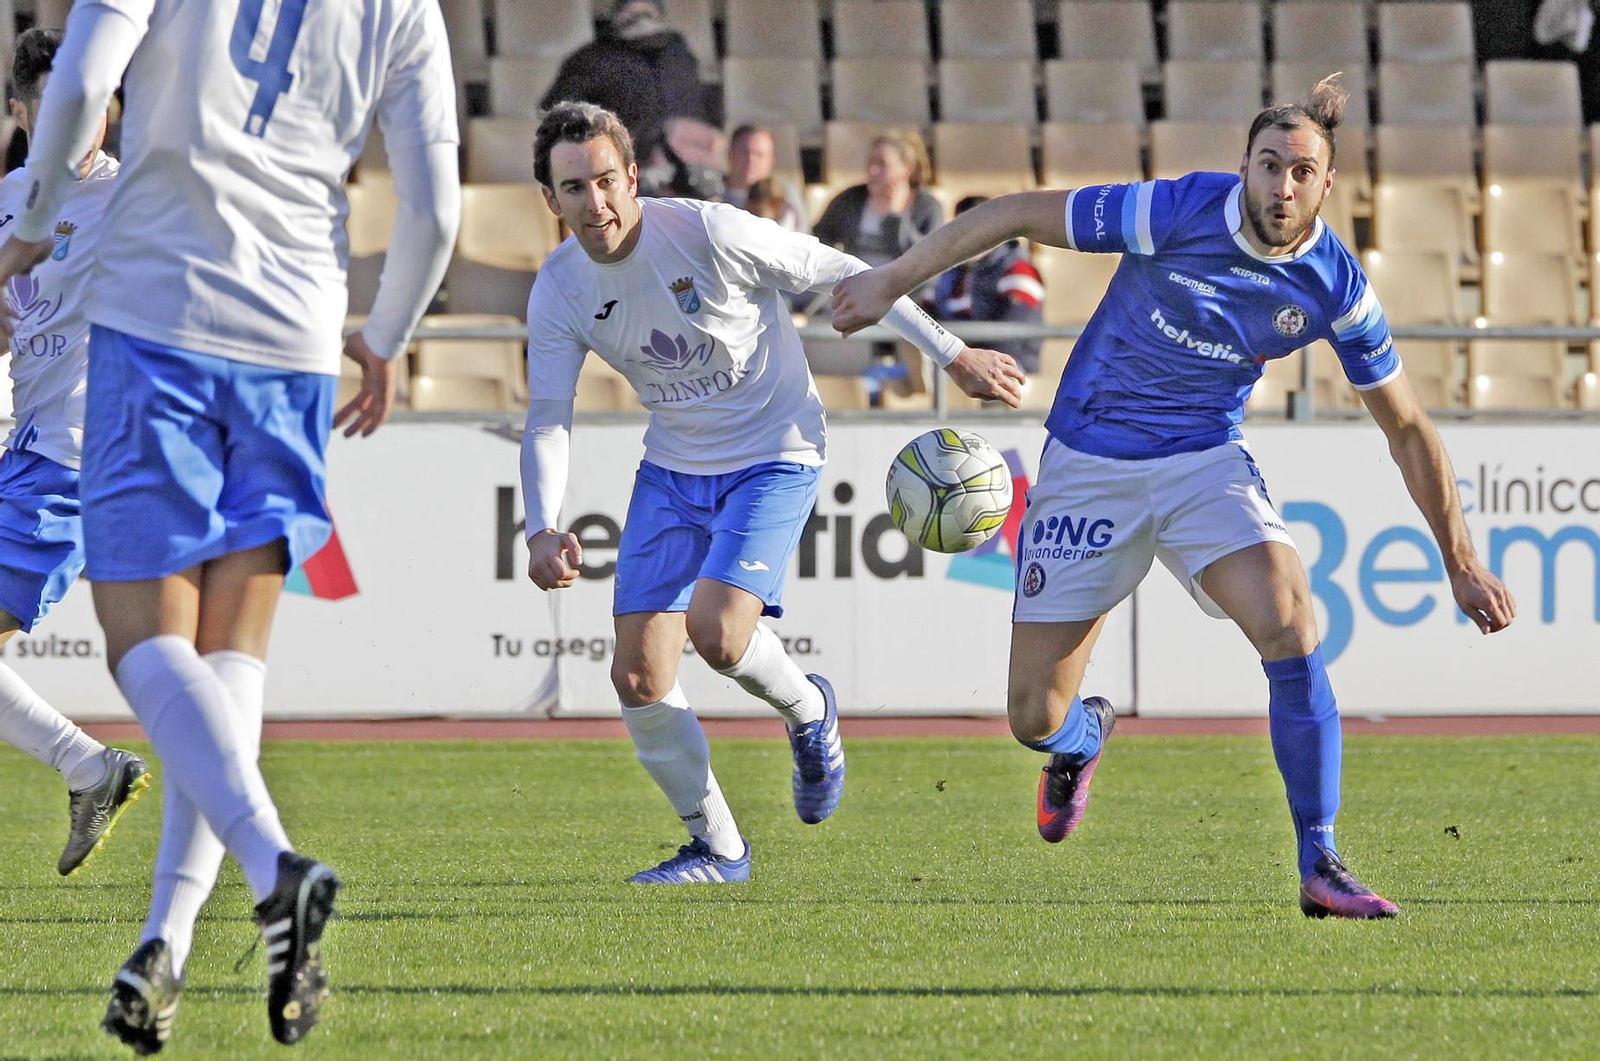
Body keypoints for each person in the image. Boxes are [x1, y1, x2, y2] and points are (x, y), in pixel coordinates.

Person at [830, 77, 1517, 920]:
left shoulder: (1335, 286)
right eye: (1270, 166)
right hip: (1089, 460)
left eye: (1303, 172)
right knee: (1030, 714)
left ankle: (1320, 856)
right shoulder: (1176, 211)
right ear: (1245, 168)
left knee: (1291, 617)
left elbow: (1408, 427)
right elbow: (1010, 212)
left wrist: (1461, 560)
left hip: (1203, 462)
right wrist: (890, 282)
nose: (1283, 187)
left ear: (1328, 184)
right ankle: (1081, 740)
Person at [0, 0, 461, 1051]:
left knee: (148, 643)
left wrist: (30, 230)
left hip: (160, 315)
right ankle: (163, 941)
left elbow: (77, 85)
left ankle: (274, 864)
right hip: (296, 331)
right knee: (229, 657)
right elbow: (433, 212)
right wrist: (383, 336)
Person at [522, 101, 1024, 885]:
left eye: (609, 181)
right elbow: (548, 418)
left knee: (719, 632)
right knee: (637, 677)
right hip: (673, 467)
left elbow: (844, 271)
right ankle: (719, 851)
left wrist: (951, 354)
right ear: (550, 200)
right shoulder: (558, 289)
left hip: (776, 449)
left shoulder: (709, 230)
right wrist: (539, 527)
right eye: (576, 188)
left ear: (633, 178)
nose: (598, 204)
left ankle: (809, 711)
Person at [0, 27, 149, 880]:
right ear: (20, 115)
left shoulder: (135, 200)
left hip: (78, 461)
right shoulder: (9, 200)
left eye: (87, 105)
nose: (73, 124)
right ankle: (91, 768)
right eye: (52, 109)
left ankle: (89, 766)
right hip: (27, 451)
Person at [540, 0, 720, 196]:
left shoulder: (678, 51)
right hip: (629, 171)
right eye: (631, 12)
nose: (640, 19)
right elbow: (555, 112)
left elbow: (703, 103)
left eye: (646, 11)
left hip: (689, 171)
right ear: (616, 16)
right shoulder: (592, 58)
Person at [933, 195, 1046, 373]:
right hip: (960, 364)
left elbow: (1012, 335)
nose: (965, 238)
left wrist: (961, 352)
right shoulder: (952, 275)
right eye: (959, 230)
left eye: (974, 229)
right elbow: (933, 314)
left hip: (1013, 369)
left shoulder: (1019, 272)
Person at [813, 130, 942, 268]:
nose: (873, 171)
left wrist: (894, 216)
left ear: (907, 168)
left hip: (906, 288)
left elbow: (925, 261)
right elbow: (820, 240)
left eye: (883, 164)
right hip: (857, 284)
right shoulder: (850, 199)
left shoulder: (927, 207)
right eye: (870, 162)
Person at [720, 124, 804, 231]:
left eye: (759, 155)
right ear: (730, 154)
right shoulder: (711, 194)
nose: (751, 160)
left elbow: (804, 237)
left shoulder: (785, 196)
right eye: (744, 152)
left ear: (771, 161)